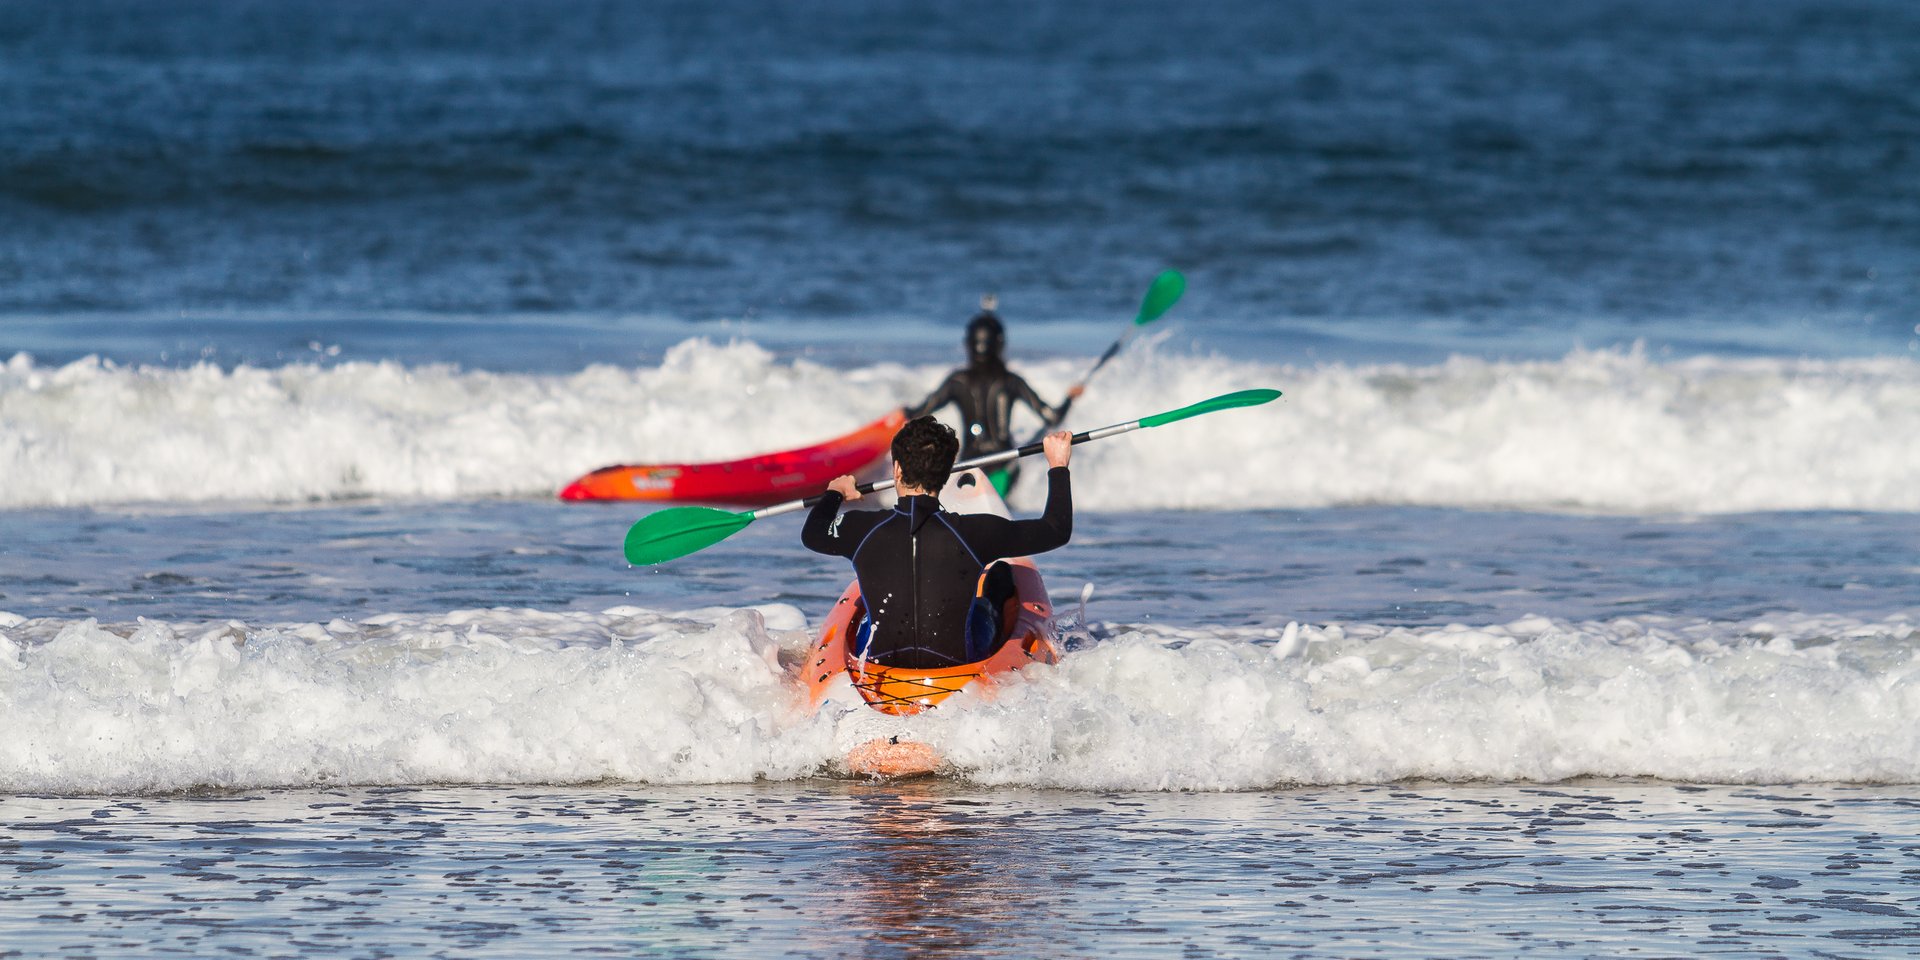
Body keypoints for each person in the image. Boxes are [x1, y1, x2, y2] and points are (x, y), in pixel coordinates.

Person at [801, 415, 1074, 669]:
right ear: (945, 475)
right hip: (955, 664)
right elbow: (1055, 530)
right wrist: (1058, 465)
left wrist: (834, 493)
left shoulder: (861, 528)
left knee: (871, 606)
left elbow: (812, 534)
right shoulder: (975, 531)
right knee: (1000, 577)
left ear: (896, 469)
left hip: (882, 666)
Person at [905, 299, 1085, 464]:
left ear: (969, 344)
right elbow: (1052, 417)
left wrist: (902, 414)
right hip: (1004, 461)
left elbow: (920, 413)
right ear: (1000, 344)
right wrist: (1070, 397)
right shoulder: (1011, 381)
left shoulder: (957, 381)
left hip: (969, 465)